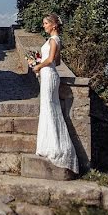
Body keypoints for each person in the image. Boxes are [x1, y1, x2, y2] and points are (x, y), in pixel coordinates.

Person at [32, 13, 79, 173]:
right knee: (49, 108)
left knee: (49, 108)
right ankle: (49, 144)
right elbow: (57, 61)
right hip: (50, 74)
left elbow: (52, 60)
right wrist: (40, 61)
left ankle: (55, 148)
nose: (44, 26)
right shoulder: (56, 40)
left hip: (49, 75)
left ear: (53, 25)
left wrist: (38, 66)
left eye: (45, 23)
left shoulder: (53, 40)